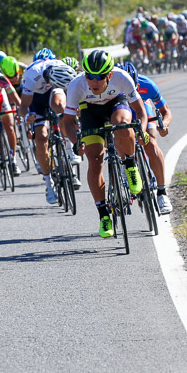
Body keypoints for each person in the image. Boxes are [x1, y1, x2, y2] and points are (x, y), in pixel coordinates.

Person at [62, 51, 148, 238]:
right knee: (94, 160)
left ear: (109, 75)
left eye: (99, 77)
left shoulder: (121, 78)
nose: (94, 81)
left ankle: (131, 165)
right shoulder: (77, 85)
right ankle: (104, 216)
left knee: (122, 125)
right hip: (90, 111)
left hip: (116, 103)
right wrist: (76, 142)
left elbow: (140, 111)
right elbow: (67, 121)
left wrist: (141, 129)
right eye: (89, 76)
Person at [116, 61, 173, 214]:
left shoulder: (147, 84)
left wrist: (164, 125)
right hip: (121, 110)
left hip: (143, 111)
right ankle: (124, 166)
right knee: (119, 135)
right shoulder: (111, 84)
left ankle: (162, 193)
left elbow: (165, 111)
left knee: (150, 143)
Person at [19, 58, 76, 203]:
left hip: (54, 91)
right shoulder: (32, 75)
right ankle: (48, 182)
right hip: (36, 99)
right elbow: (23, 107)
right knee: (41, 138)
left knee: (60, 106)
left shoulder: (61, 68)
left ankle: (68, 147)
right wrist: (27, 117)